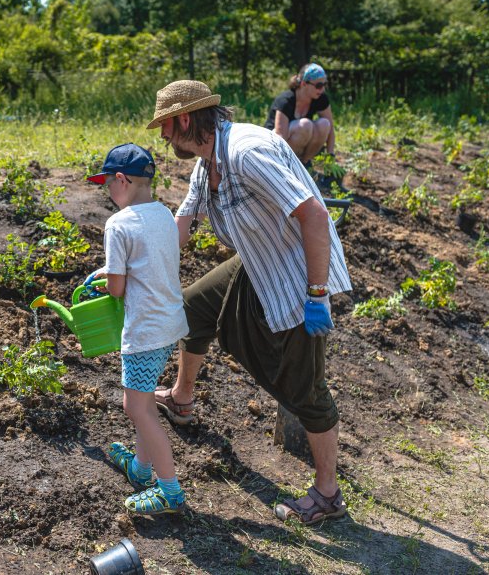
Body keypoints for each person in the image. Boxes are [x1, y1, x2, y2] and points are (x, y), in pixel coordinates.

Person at [148, 80, 352, 525]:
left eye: (164, 126)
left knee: (306, 390)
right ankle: (182, 398)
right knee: (194, 307)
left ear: (184, 119)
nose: (162, 137)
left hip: (300, 273)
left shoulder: (245, 151)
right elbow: (182, 224)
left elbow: (314, 215)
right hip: (260, 259)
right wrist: (133, 263)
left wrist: (316, 294)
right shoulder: (208, 164)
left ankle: (328, 495)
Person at [85, 143, 190, 516]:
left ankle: (170, 492)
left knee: (136, 407)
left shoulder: (118, 224)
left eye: (107, 185)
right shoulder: (163, 213)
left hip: (144, 331)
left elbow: (117, 288)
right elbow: (149, 262)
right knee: (144, 402)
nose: (107, 193)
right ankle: (142, 471)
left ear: (121, 179)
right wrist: (110, 273)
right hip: (170, 323)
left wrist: (106, 279)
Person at [264, 63, 335, 165]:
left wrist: (330, 156)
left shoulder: (320, 98)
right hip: (273, 148)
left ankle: (305, 164)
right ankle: (287, 165)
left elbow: (330, 129)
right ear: (304, 84)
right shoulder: (285, 101)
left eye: (325, 85)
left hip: (296, 147)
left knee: (325, 124)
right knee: (305, 125)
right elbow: (280, 137)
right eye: (318, 85)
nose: (322, 89)